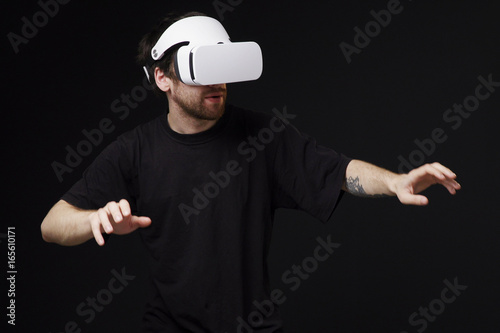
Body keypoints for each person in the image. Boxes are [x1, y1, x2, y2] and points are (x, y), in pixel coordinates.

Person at [40, 11, 461, 333]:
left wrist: (395, 181)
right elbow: (51, 224)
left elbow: (338, 171)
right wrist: (93, 219)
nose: (217, 83)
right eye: (201, 70)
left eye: (222, 67)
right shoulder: (134, 150)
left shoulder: (264, 135)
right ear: (162, 78)